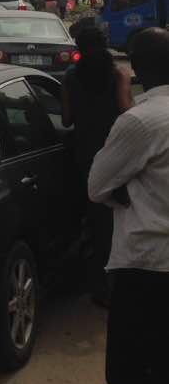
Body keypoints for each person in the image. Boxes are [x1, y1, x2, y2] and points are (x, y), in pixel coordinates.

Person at [89, 27, 169, 384]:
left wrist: (125, 187)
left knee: (124, 372)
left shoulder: (139, 122)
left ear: (134, 68)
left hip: (146, 266)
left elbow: (96, 186)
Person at [62, 25, 132, 304]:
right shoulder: (117, 74)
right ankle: (120, 283)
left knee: (95, 221)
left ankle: (98, 287)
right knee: (118, 219)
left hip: (86, 156)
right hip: (116, 153)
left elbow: (66, 120)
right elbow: (128, 112)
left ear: (78, 48)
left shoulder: (70, 76)